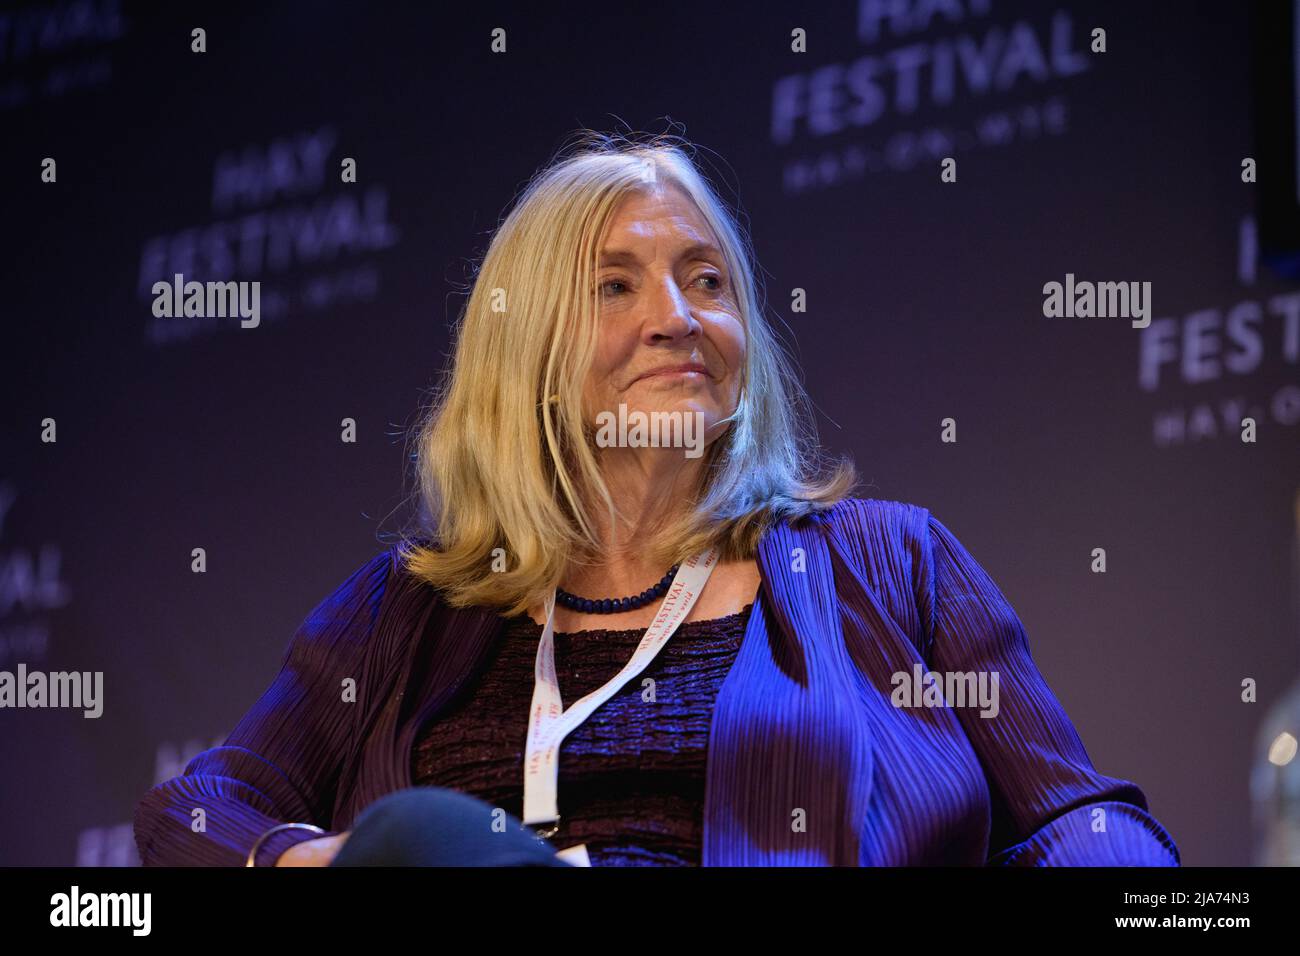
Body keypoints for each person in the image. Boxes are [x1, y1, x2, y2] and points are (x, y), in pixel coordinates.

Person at [133, 131, 1180, 867]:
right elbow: (191, 810)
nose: (677, 317)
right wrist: (314, 857)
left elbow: (1074, 817)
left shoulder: (891, 564)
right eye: (615, 285)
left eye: (707, 279)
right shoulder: (407, 609)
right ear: (528, 347)